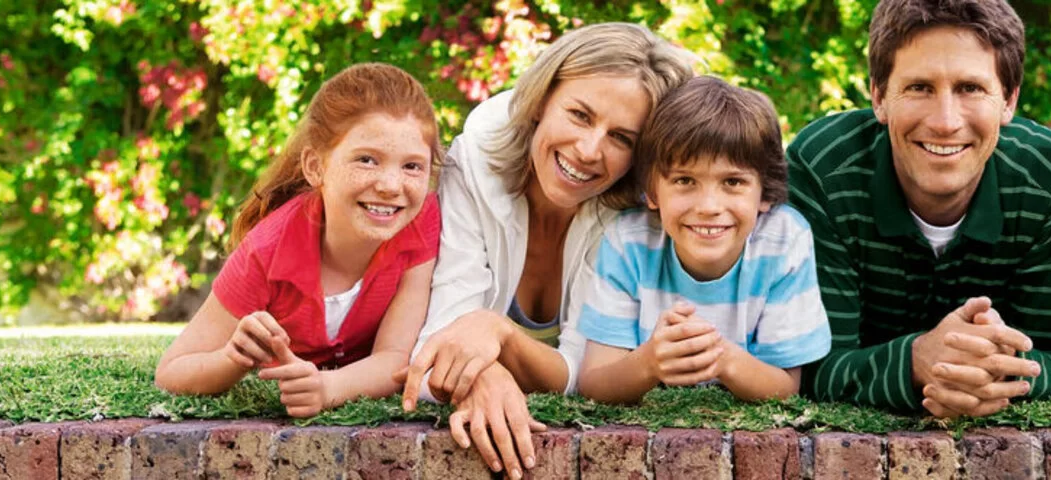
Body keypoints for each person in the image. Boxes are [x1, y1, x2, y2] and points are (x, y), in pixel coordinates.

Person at [396, 23, 693, 479]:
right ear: (541, 100)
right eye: (579, 114)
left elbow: (586, 374)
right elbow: (438, 342)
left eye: (621, 139)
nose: (590, 150)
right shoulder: (474, 161)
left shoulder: (634, 213)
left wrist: (499, 332)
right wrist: (484, 375)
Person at [785, 0, 1051, 417]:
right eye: (919, 87)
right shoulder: (824, 169)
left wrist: (991, 372)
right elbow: (809, 367)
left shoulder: (1048, 176)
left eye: (970, 88)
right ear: (878, 97)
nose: (945, 121)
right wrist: (914, 362)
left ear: (1009, 101)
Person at [154, 63, 443, 418]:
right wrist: (233, 357)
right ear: (315, 167)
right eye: (367, 160)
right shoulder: (267, 251)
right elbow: (171, 372)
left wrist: (328, 388)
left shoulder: (421, 219)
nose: (391, 185)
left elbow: (394, 357)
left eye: (412, 166)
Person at [574, 76, 831, 404]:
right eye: (684, 180)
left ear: (765, 192)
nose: (709, 207)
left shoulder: (783, 240)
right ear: (652, 191)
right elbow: (595, 382)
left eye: (733, 182)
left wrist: (721, 357)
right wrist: (649, 363)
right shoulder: (629, 243)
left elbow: (785, 388)